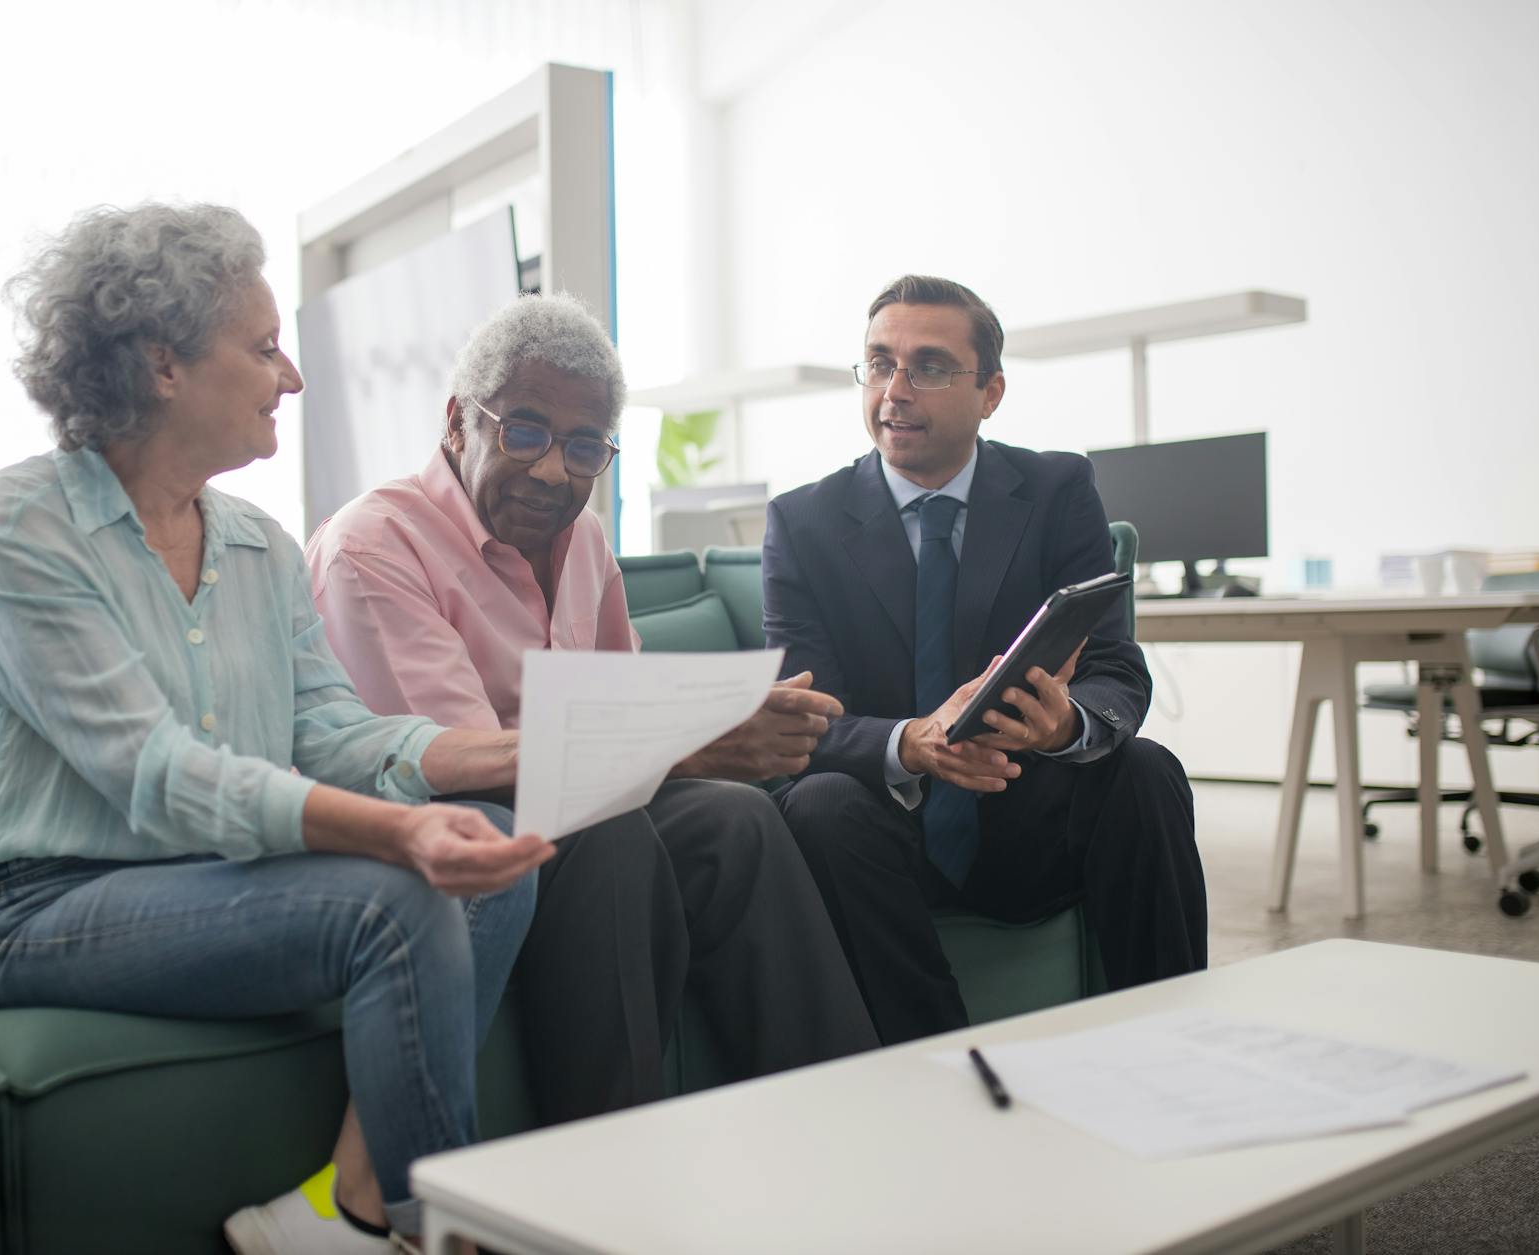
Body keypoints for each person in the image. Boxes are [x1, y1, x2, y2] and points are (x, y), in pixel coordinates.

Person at [0, 202, 551, 1255]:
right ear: (163, 364)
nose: (290, 377)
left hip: (206, 875)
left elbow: (336, 732)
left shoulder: (256, 543)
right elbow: (158, 771)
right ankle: (436, 1232)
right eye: (262, 348)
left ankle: (338, 1213)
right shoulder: (13, 530)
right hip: (36, 902)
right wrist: (394, 833)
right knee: (400, 894)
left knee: (496, 859)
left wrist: (518, 753)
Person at [304, 292, 879, 1126]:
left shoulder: (585, 541)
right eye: (526, 431)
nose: (553, 471)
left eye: (584, 447)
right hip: (447, 831)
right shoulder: (373, 545)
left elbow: (625, 703)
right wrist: (701, 740)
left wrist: (719, 728)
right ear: (460, 420)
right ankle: (605, 1162)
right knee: (609, 833)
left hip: (573, 809)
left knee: (738, 821)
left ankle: (844, 1120)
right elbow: (461, 761)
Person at [764, 274, 1207, 1046]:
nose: (895, 391)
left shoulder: (1057, 487)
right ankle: (942, 1068)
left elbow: (1116, 673)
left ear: (991, 391)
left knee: (1147, 770)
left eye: (929, 367)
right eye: (878, 364)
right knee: (819, 805)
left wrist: (1064, 723)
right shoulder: (801, 523)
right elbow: (801, 722)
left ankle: (1172, 1043)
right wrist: (910, 743)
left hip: (1030, 811)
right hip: (883, 835)